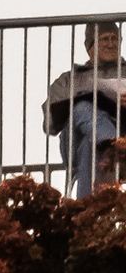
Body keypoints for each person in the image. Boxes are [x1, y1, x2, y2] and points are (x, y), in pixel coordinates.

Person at [44, 20, 125, 199]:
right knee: (82, 106)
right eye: (105, 39)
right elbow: (50, 124)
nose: (111, 44)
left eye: (115, 38)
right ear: (89, 45)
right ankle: (110, 145)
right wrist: (102, 99)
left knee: (91, 145)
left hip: (116, 139)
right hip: (76, 143)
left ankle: (87, 206)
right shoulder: (70, 80)